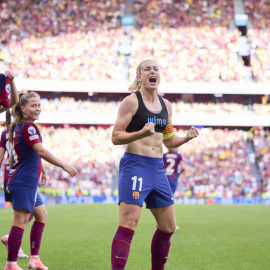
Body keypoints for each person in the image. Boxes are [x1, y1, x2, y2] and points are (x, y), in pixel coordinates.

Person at [110, 59, 199, 270]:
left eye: (155, 69)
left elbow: (168, 140)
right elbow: (115, 137)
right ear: (139, 76)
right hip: (135, 165)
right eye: (147, 69)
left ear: (159, 75)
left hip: (158, 168)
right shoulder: (131, 102)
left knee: (168, 227)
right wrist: (141, 132)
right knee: (129, 224)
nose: (153, 72)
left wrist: (185, 138)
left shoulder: (166, 105)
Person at [4, 92, 77, 270]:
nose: (37, 109)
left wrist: (42, 170)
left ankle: (34, 259)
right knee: (19, 222)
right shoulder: (28, 127)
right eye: (33, 106)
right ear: (23, 109)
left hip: (26, 181)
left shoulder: (18, 128)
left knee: (41, 215)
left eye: (39, 105)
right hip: (23, 181)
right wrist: (63, 165)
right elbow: (41, 151)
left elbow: (30, 153)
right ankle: (11, 264)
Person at [0, 109, 29, 258]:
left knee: (30, 213)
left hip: (10, 176)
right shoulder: (20, 131)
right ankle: (13, 243)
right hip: (19, 176)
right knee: (22, 215)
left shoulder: (5, 134)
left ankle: (12, 240)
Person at [163, 147, 186, 231]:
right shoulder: (178, 156)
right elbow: (183, 167)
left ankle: (161, 223)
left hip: (164, 179)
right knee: (170, 202)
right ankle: (172, 225)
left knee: (163, 201)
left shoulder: (164, 156)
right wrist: (178, 175)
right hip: (173, 179)